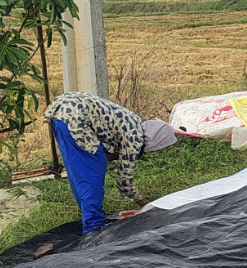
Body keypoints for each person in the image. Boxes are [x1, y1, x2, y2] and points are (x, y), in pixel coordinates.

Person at [44, 92, 178, 234]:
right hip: (75, 118)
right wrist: (145, 204)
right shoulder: (136, 139)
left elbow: (106, 144)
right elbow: (124, 182)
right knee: (92, 171)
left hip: (61, 111)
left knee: (78, 169)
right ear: (154, 142)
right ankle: (93, 228)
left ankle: (87, 212)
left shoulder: (133, 122)